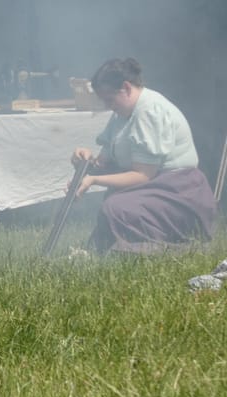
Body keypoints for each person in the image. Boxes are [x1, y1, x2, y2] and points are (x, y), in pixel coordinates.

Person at [70, 57, 216, 254]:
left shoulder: (149, 112)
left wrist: (93, 180)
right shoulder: (122, 114)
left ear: (126, 87)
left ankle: (169, 248)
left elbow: (142, 176)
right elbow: (105, 160)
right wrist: (86, 159)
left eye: (109, 99)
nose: (107, 105)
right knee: (114, 203)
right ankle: (113, 249)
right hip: (157, 187)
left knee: (117, 207)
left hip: (180, 194)